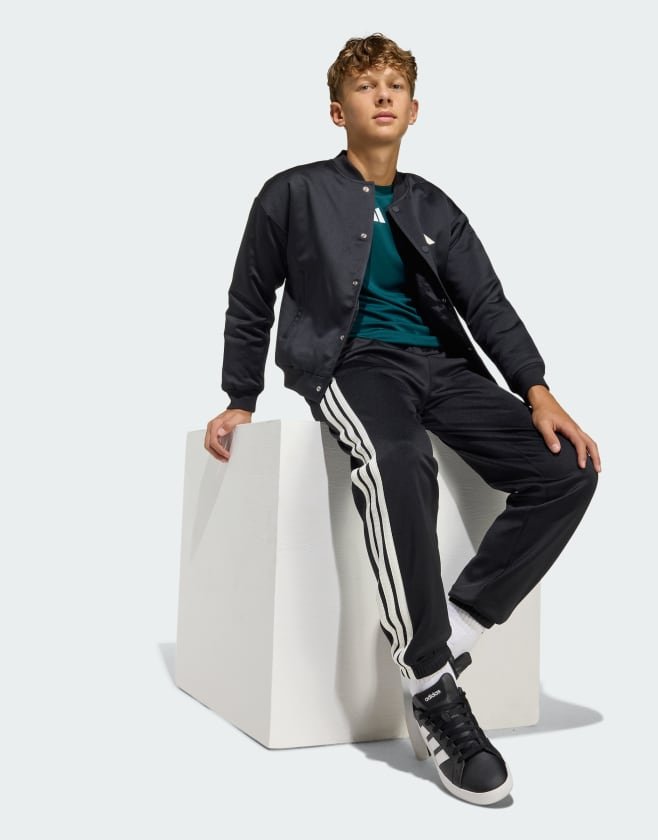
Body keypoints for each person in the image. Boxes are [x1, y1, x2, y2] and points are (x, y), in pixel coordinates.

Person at [204, 32, 601, 806]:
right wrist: (239, 398)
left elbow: (487, 304)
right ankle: (429, 682)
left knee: (566, 468)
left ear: (414, 111)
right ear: (337, 110)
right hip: (354, 366)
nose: (382, 94)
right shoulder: (291, 194)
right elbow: (250, 297)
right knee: (397, 458)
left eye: (394, 85)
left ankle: (456, 629)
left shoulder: (433, 206)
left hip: (445, 370)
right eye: (365, 85)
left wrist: (538, 390)